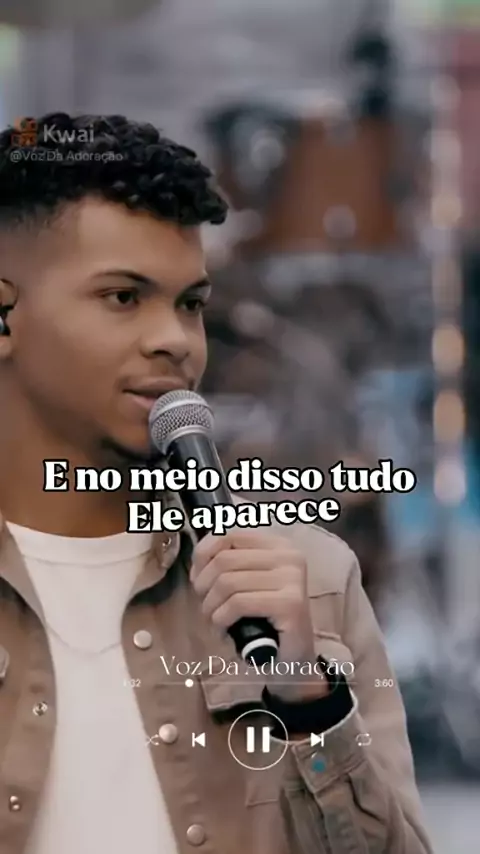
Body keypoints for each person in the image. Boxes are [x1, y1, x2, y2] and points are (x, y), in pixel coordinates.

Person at [0, 112, 432, 854]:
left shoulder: (311, 581)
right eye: (123, 297)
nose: (175, 340)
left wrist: (309, 702)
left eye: (191, 304)